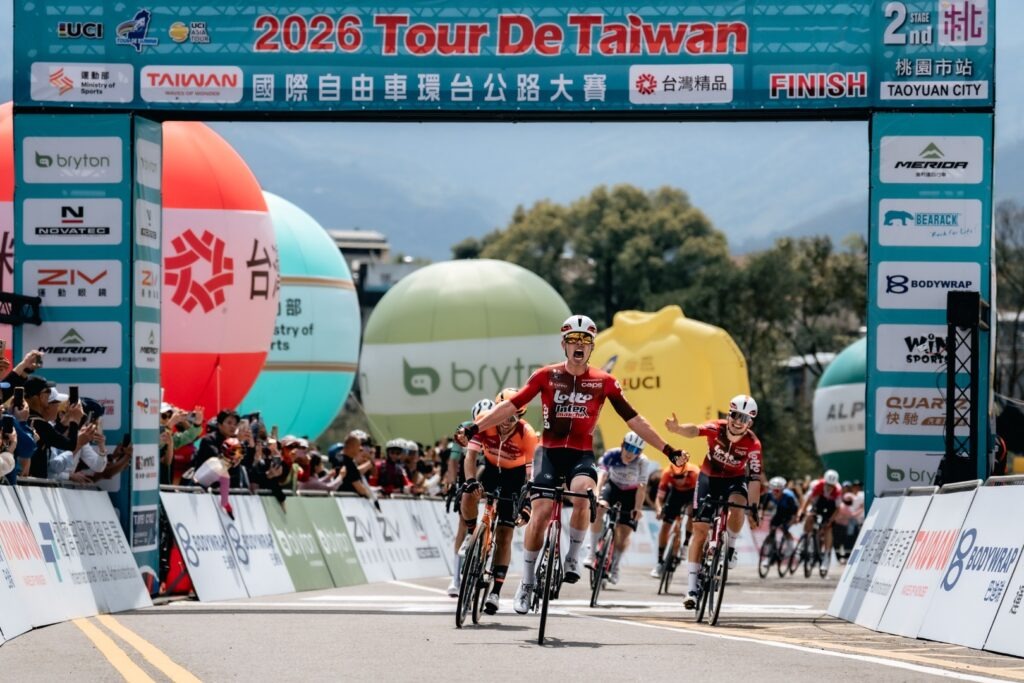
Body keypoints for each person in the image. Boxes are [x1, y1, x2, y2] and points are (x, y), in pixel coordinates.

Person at [457, 314, 686, 615]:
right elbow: (510, 406)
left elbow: (634, 420)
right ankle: (527, 583)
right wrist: (475, 428)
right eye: (573, 339)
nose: (579, 344)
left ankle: (573, 557)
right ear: (564, 344)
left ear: (592, 347)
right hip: (549, 453)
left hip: (581, 455)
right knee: (540, 513)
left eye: (585, 340)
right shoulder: (545, 375)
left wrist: (668, 449)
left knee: (583, 494)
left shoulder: (604, 381)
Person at [665, 394, 763, 610]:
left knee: (738, 506)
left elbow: (755, 478)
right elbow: (695, 430)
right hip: (709, 479)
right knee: (700, 531)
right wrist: (678, 429)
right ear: (729, 415)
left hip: (734, 481)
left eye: (744, 418)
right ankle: (691, 589)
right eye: (735, 415)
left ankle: (731, 547)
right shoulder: (717, 428)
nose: (738, 421)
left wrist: (754, 507)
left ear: (750, 423)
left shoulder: (753, 444)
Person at [454, 388, 538, 614]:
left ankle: (495, 593)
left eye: (513, 418)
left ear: (520, 417)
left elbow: (531, 475)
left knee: (504, 535)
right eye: (503, 415)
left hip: (514, 478)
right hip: (490, 469)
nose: (506, 422)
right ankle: (471, 533)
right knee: (468, 493)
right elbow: (471, 456)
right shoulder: (484, 421)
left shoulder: (527, 434)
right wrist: (470, 481)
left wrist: (527, 502)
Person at [587, 431, 650, 585]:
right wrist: (597, 495)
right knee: (599, 509)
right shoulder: (611, 454)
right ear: (622, 445)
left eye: (636, 450)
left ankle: (615, 566)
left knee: (623, 535)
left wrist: (638, 508)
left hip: (631, 493)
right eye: (628, 447)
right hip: (613, 487)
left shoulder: (642, 462)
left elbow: (642, 487)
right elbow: (601, 476)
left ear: (640, 452)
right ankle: (592, 553)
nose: (630, 453)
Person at [447, 398, 493, 598]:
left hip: (490, 471)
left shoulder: (498, 427)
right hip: (469, 472)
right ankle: (455, 578)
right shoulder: (465, 428)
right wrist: (451, 484)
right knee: (462, 524)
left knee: (492, 515)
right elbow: (453, 460)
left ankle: (484, 558)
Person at [650, 458, 700, 579]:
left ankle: (686, 544)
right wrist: (659, 509)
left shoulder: (695, 473)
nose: (679, 480)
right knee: (665, 525)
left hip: (692, 493)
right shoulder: (667, 473)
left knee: (692, 513)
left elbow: (699, 497)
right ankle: (660, 562)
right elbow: (659, 498)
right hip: (676, 494)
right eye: (675, 477)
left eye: (681, 476)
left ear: (686, 473)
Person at [797, 469, 842, 567]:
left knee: (828, 528)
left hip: (831, 507)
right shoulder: (817, 485)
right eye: (828, 484)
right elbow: (808, 500)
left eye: (832, 485)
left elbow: (838, 508)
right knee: (810, 517)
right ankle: (805, 538)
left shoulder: (838, 490)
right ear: (824, 481)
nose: (829, 487)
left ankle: (826, 555)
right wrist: (803, 512)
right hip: (819, 503)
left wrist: (830, 521)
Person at [762, 475, 799, 544]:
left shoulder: (789, 496)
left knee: (785, 527)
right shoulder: (769, 494)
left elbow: (795, 511)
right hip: (780, 509)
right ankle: (772, 541)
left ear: (782, 490)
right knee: (773, 524)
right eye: (772, 490)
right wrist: (761, 516)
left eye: (777, 490)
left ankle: (790, 542)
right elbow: (764, 506)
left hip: (790, 511)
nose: (774, 493)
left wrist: (794, 519)